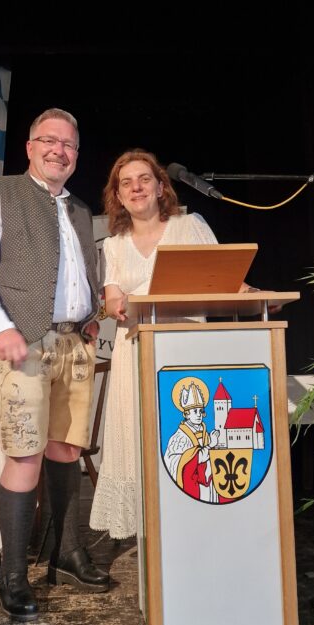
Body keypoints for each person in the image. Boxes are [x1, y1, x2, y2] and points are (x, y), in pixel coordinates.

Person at [0, 107, 109, 623]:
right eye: (49, 140)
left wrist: (90, 320)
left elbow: (81, 276)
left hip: (73, 344)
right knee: (26, 454)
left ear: (76, 155)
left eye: (68, 144)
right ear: (29, 147)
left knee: (66, 447)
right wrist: (0, 328)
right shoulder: (0, 192)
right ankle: (13, 574)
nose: (58, 150)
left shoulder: (81, 210)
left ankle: (65, 553)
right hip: (19, 341)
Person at [89, 149, 219, 540]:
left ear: (161, 186)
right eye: (125, 183)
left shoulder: (190, 226)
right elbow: (113, 301)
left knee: (186, 436)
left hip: (186, 350)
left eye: (144, 179)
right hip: (137, 352)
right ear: (118, 195)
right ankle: (150, 529)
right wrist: (120, 304)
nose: (136, 187)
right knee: (140, 436)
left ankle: (192, 522)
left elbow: (223, 276)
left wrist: (257, 291)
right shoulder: (114, 244)